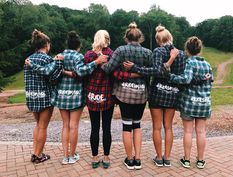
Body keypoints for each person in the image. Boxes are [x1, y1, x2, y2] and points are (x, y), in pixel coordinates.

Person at [27, 31, 107, 165]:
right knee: (73, 126)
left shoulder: (59, 55)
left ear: (67, 44)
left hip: (62, 96)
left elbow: (52, 73)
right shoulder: (78, 56)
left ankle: (65, 156)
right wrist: (96, 62)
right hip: (76, 96)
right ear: (79, 45)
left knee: (65, 126)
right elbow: (81, 72)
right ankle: (72, 154)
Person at [123, 25, 183, 167]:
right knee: (168, 127)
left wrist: (135, 68)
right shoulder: (180, 53)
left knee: (157, 127)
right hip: (173, 93)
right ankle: (167, 158)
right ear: (171, 37)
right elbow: (180, 75)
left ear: (158, 40)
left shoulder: (158, 51)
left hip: (157, 93)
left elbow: (156, 71)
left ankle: (159, 157)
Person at [101, 22, 153, 170]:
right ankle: (138, 159)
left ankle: (129, 160)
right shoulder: (148, 53)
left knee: (127, 126)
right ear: (140, 38)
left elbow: (108, 69)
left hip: (124, 94)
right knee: (137, 125)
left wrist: (101, 61)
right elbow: (151, 71)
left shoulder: (121, 50)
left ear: (126, 37)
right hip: (141, 94)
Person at [84, 30, 134, 169]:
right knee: (106, 128)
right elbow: (117, 74)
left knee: (94, 128)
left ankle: (94, 157)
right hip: (107, 96)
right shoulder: (112, 54)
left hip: (92, 95)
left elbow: (84, 73)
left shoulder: (89, 54)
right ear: (107, 39)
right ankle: (106, 157)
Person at [169, 36, 213, 169]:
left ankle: (186, 160)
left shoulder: (190, 63)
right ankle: (200, 161)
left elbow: (186, 79)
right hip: (204, 103)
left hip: (189, 102)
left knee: (188, 132)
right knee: (201, 132)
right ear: (200, 49)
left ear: (187, 50)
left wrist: (170, 76)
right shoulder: (208, 65)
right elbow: (211, 82)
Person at [24, 29, 63, 164]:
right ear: (46, 44)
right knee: (42, 127)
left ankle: (35, 152)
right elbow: (53, 79)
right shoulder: (47, 59)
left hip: (31, 96)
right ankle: (38, 155)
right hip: (45, 97)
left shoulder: (28, 59)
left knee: (38, 125)